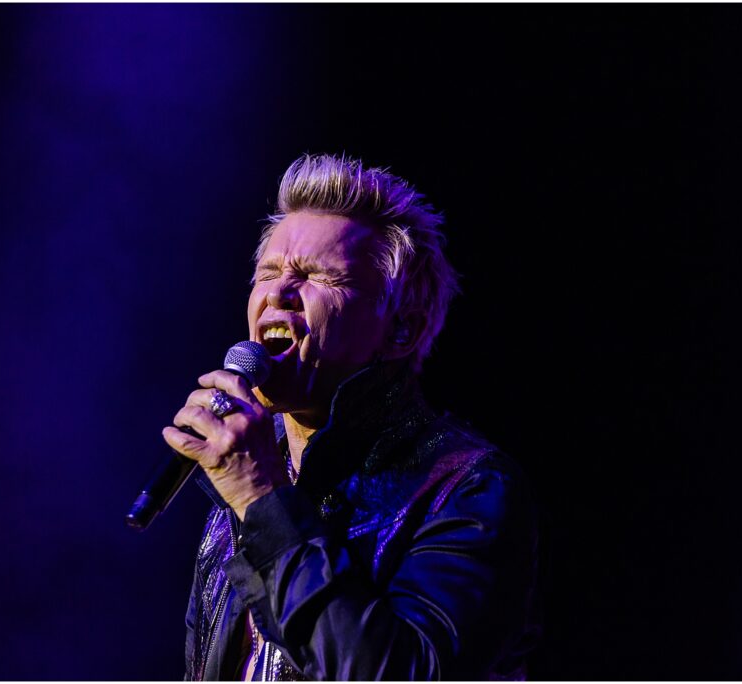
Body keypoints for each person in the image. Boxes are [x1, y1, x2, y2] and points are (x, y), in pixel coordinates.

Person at [163, 154, 540, 681]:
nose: (278, 292)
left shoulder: (468, 489)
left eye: (317, 276)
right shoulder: (244, 487)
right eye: (268, 273)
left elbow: (394, 672)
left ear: (399, 331)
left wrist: (261, 499)